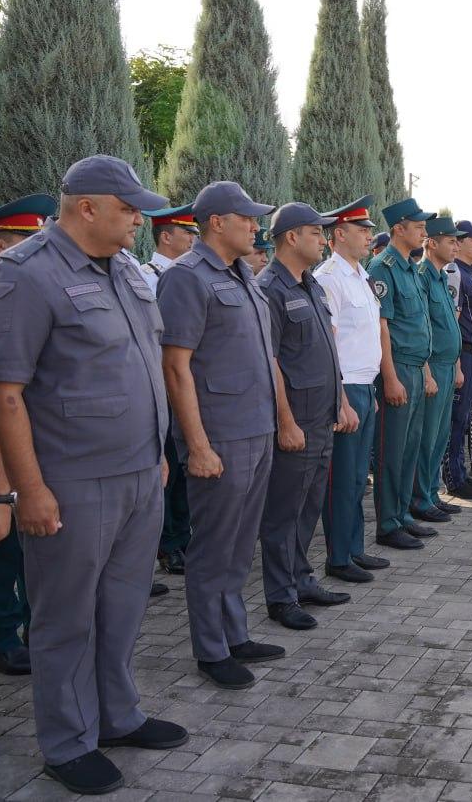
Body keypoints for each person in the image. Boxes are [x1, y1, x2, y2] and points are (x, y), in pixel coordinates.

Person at [0, 156, 188, 794]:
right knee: (65, 617)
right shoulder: (21, 276)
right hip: (70, 481)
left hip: (136, 473)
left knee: (123, 607)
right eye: (128, 208)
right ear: (87, 207)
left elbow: (140, 367)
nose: (139, 219)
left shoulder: (125, 270)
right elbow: (2, 392)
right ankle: (67, 742)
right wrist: (25, 490)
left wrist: (155, 452)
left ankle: (117, 715)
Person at [158, 180, 284, 691]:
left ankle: (235, 634)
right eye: (247, 218)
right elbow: (175, 366)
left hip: (256, 429)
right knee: (212, 547)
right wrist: (199, 445)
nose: (256, 226)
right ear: (216, 223)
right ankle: (211, 649)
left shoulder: (243, 277)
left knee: (238, 544)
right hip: (220, 436)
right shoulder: (188, 278)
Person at [256, 203, 358, 630]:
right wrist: (285, 420)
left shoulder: (310, 285)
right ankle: (280, 597)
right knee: (283, 512)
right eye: (316, 233)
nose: (323, 239)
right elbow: (271, 359)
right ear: (292, 237)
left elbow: (328, 351)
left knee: (309, 505)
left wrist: (341, 402)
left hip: (322, 416)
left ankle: (301, 579)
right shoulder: (270, 288)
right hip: (295, 419)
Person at [0, 194, 55, 678]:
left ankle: (34, 629)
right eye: (23, 242)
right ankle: (1, 640)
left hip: (33, 443)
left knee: (34, 551)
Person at [314, 202, 391, 584]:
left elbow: (367, 336)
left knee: (359, 476)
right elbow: (329, 345)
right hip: (343, 388)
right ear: (338, 235)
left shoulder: (359, 275)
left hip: (364, 385)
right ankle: (338, 556)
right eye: (361, 229)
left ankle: (355, 548)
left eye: (368, 229)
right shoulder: (328, 278)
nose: (367, 235)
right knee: (341, 478)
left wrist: (370, 386)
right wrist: (342, 397)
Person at [368, 197, 438, 551]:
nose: (424, 232)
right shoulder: (383, 268)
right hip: (396, 370)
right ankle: (387, 523)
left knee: (410, 447)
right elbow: (383, 328)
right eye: (419, 227)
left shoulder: (410, 268)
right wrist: (391, 378)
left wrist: (425, 371)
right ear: (399, 229)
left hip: (415, 366)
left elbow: (420, 324)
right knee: (391, 450)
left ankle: (404, 514)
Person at [138, 204, 200, 576]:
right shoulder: (147, 276)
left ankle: (182, 536)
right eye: (186, 233)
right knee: (168, 472)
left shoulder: (188, 274)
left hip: (186, 383)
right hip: (163, 386)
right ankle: (167, 544)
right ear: (165, 236)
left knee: (182, 467)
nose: (193, 239)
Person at [411, 217, 465, 521]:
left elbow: (448, 326)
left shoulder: (442, 277)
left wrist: (456, 366)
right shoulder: (421, 277)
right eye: (450, 241)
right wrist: (429, 370)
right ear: (431, 243)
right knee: (426, 437)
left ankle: (432, 492)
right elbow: (424, 328)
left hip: (446, 365)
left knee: (440, 435)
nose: (455, 246)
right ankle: (420, 499)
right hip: (431, 367)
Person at [442, 222, 472, 500]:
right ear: (458, 243)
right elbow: (454, 319)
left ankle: (461, 474)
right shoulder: (455, 273)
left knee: (464, 417)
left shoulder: (470, 274)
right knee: (457, 419)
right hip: (463, 354)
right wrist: (458, 362)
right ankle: (453, 478)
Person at [138, 203, 198, 294]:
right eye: (188, 233)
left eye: (195, 234)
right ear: (166, 237)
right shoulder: (143, 277)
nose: (194, 239)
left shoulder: (193, 272)